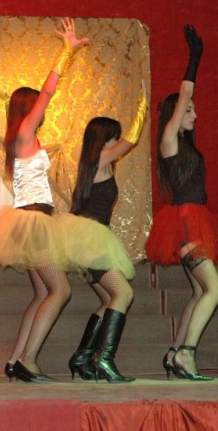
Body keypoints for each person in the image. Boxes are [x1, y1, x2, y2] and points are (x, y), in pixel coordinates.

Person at [0, 17, 88, 383]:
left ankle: (16, 360)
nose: (40, 113)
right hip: (33, 221)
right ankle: (28, 360)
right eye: (35, 108)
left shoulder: (25, 138)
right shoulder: (25, 132)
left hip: (33, 220)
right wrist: (65, 53)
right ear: (27, 110)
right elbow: (47, 94)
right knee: (60, 290)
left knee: (43, 291)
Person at [145, 24, 218, 381]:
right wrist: (194, 59)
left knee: (199, 290)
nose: (195, 115)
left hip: (191, 222)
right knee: (215, 289)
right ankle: (187, 354)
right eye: (188, 110)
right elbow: (185, 93)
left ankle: (175, 352)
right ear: (175, 114)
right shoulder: (169, 141)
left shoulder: (185, 148)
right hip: (184, 225)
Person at [60, 86, 147, 383]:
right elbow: (132, 140)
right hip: (92, 240)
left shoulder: (94, 163)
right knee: (124, 294)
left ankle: (82, 356)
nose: (117, 143)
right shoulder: (100, 158)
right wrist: (142, 105)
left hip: (89, 239)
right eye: (114, 137)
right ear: (105, 139)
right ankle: (104, 359)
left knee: (108, 299)